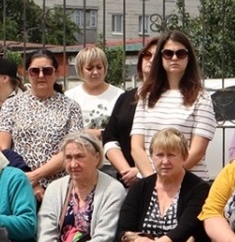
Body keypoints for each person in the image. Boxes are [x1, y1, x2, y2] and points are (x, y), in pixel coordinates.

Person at [0, 49, 83, 198]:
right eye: (35, 71)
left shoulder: (71, 107)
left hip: (59, 187)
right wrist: (29, 181)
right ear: (27, 74)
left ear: (56, 73)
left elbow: (72, 150)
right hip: (19, 185)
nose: (41, 75)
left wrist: (35, 176)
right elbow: (2, 149)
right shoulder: (11, 105)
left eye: (47, 71)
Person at [129, 30, 217, 177]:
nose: (174, 58)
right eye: (168, 53)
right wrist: (153, 179)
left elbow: (197, 150)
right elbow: (136, 147)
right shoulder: (147, 96)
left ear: (189, 58)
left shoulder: (201, 98)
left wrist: (169, 178)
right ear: (161, 57)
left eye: (181, 53)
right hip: (149, 181)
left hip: (188, 182)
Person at [104, 39, 156, 185]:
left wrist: (140, 172)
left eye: (157, 56)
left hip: (157, 177)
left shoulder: (170, 99)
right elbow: (109, 139)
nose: (151, 60)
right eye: (147, 55)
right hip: (125, 179)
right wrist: (126, 170)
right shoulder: (125, 98)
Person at [65, 44, 119, 139]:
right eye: (89, 68)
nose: (95, 72)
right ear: (80, 70)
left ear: (105, 68)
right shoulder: (69, 96)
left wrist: (97, 134)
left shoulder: (119, 95)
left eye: (99, 67)